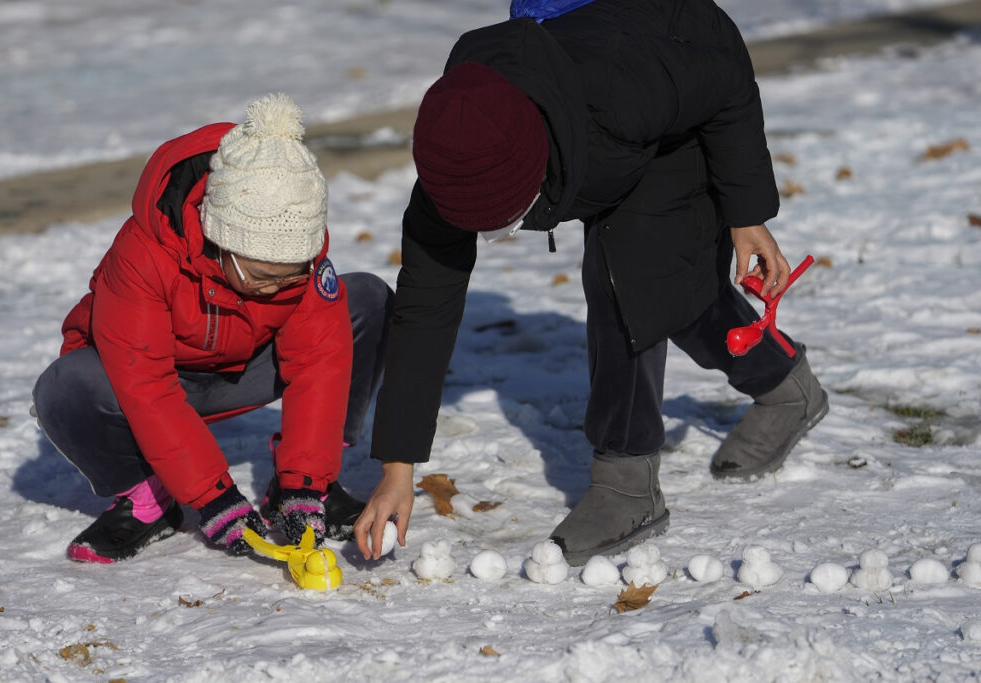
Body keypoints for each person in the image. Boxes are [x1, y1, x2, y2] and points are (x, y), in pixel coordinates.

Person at [354, 0, 828, 566]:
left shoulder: (620, 90)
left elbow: (724, 84)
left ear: (541, 167)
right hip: (592, 93)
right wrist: (396, 469)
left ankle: (626, 484)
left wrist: (747, 214)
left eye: (509, 221)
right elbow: (424, 309)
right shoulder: (459, 138)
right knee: (667, 281)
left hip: (684, 64)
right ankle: (784, 382)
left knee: (633, 278)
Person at [32, 93, 393, 564]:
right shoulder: (144, 254)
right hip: (150, 383)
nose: (275, 289)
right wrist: (213, 497)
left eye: (292, 274)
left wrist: (303, 482)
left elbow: (319, 364)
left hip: (247, 367)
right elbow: (147, 386)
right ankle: (149, 500)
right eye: (262, 276)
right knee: (66, 384)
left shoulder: (299, 256)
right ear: (221, 241)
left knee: (364, 299)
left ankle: (308, 491)